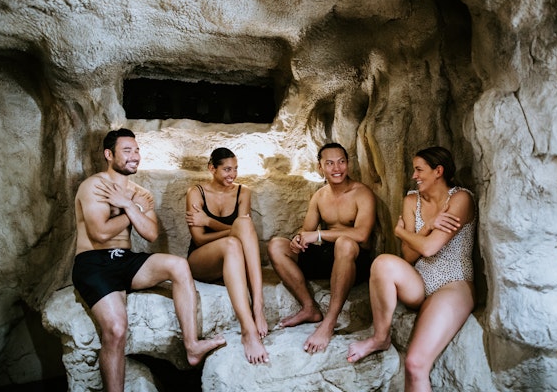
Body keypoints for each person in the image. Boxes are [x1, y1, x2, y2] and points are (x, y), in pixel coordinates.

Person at [72, 128, 225, 392]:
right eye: (127, 151)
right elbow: (99, 233)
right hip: (94, 262)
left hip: (126, 260)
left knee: (178, 265)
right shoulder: (94, 186)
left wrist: (131, 206)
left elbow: (150, 233)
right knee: (117, 330)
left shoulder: (140, 193)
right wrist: (137, 211)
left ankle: (192, 346)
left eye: (137, 150)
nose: (135, 156)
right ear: (109, 155)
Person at [347, 146, 476, 392]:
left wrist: (401, 232)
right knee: (382, 263)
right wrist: (427, 225)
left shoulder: (460, 199)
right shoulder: (411, 200)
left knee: (415, 364)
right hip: (418, 281)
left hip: (453, 284)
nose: (414, 175)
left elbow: (429, 248)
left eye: (419, 170)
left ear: (438, 171)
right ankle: (380, 337)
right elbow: (408, 255)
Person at [267, 142, 376, 354]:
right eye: (330, 163)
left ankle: (329, 323)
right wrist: (298, 240)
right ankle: (309, 308)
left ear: (348, 164)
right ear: (320, 167)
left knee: (345, 243)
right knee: (276, 246)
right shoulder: (320, 196)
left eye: (341, 162)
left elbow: (362, 235)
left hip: (354, 260)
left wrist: (317, 235)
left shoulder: (361, 193)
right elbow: (306, 230)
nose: (337, 168)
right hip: (327, 257)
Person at [185, 147, 269, 364]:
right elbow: (200, 239)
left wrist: (210, 222)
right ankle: (248, 329)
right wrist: (233, 230)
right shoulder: (196, 193)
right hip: (201, 261)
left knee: (241, 229)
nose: (232, 175)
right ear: (212, 168)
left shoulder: (243, 192)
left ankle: (258, 306)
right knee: (236, 235)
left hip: (233, 258)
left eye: (236, 169)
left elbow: (243, 232)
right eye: (227, 169)